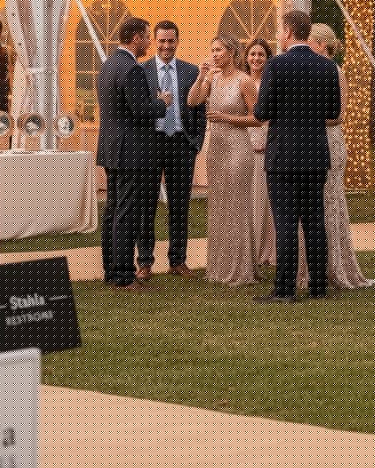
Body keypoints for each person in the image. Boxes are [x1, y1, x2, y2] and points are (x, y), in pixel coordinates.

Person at [251, 10, 340, 303]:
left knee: (286, 223)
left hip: (284, 155)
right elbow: (332, 112)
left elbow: (261, 112)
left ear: (288, 31)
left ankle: (285, 289)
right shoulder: (327, 67)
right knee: (314, 221)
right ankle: (317, 287)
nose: (278, 34)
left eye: (280, 29)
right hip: (314, 153)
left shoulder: (276, 65)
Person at [96, 17, 169, 290]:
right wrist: (161, 103)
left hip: (112, 148)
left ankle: (111, 270)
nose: (150, 42)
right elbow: (141, 111)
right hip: (130, 151)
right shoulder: (132, 69)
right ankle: (125, 275)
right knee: (126, 213)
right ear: (136, 37)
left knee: (113, 210)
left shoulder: (107, 66)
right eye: (148, 36)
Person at [299, 24, 373, 289]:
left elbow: (338, 114)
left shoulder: (335, 71)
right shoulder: (311, 69)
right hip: (311, 140)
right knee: (313, 204)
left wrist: (305, 117)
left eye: (309, 42)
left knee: (328, 203)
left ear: (319, 44)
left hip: (329, 142)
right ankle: (311, 265)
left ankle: (333, 266)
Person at [187, 34, 259, 286]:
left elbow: (258, 118)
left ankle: (240, 268)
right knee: (218, 206)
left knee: (237, 205)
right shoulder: (213, 79)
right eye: (212, 50)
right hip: (216, 149)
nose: (215, 54)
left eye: (219, 50)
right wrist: (201, 76)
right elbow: (192, 101)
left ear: (231, 52)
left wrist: (227, 118)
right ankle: (219, 266)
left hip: (238, 148)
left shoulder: (245, 81)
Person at [138, 21, 205, 279]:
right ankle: (144, 262)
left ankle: (178, 260)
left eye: (171, 41)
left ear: (178, 41)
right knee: (146, 205)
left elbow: (199, 108)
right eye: (162, 41)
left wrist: (195, 142)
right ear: (155, 41)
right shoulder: (141, 71)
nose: (166, 46)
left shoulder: (191, 71)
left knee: (180, 205)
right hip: (150, 144)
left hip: (181, 144)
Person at [244, 39, 276, 269]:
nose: (256, 58)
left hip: (268, 145)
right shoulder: (242, 82)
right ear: (246, 57)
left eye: (261, 54)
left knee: (267, 200)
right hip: (244, 145)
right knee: (248, 199)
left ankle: (269, 249)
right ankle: (250, 250)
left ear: (267, 58)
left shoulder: (272, 82)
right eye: (253, 54)